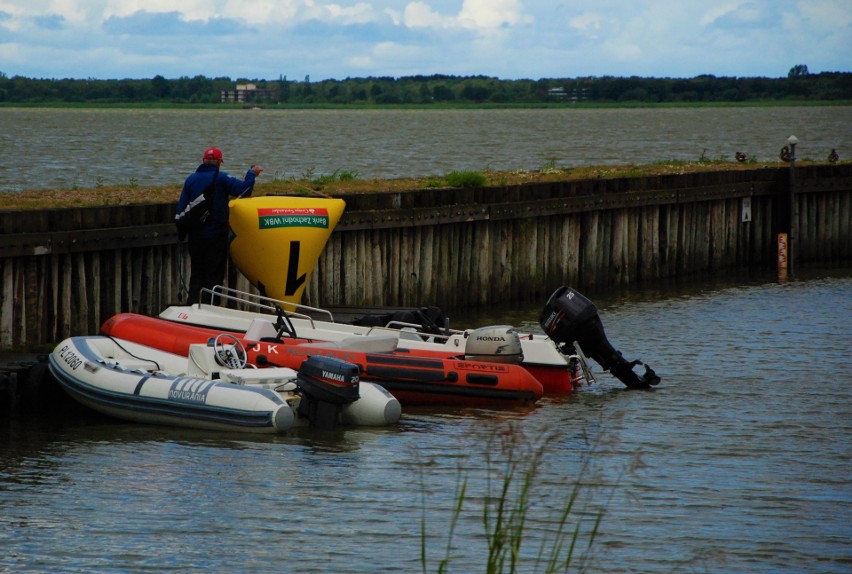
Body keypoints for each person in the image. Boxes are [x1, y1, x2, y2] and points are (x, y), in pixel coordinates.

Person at [176, 147, 263, 304]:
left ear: (203, 161)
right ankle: (211, 307)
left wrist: (182, 233)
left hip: (195, 238)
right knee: (214, 276)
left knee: (197, 273)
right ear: (218, 163)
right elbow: (245, 190)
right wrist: (251, 174)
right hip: (216, 237)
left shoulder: (191, 180)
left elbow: (181, 210)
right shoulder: (222, 179)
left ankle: (193, 306)